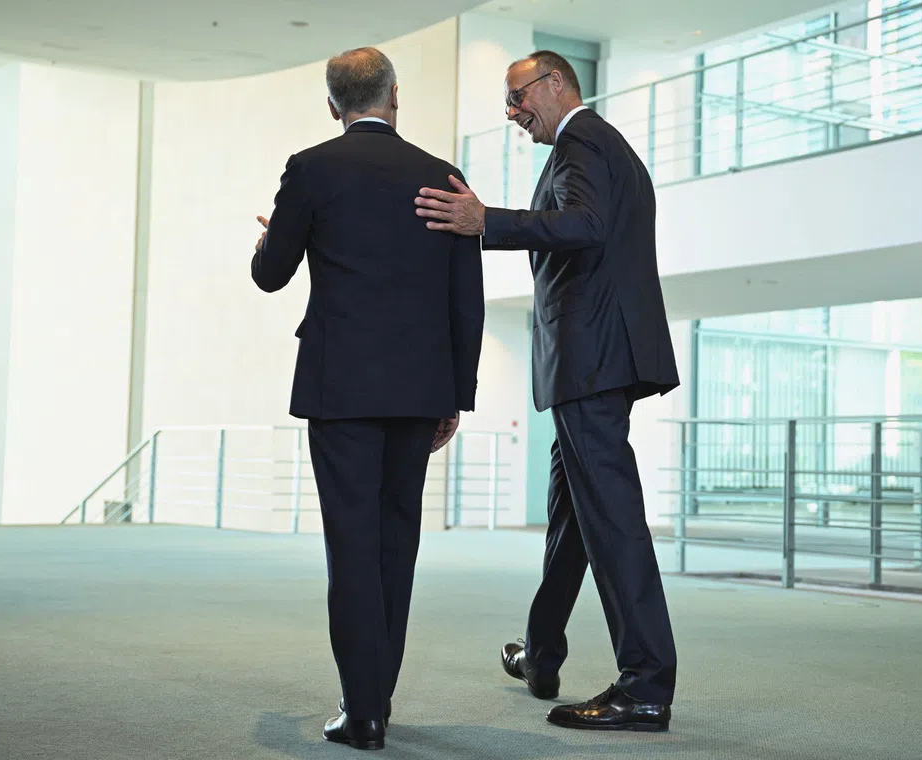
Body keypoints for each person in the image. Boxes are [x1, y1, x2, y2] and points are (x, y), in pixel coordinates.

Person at [414, 50, 679, 732]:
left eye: (518, 96)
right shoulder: (589, 145)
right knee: (573, 521)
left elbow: (585, 227)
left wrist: (486, 221)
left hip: (591, 363)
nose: (512, 112)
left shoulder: (582, 140)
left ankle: (645, 685)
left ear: (555, 83)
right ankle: (541, 652)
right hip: (590, 364)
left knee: (612, 521)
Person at [253, 47, 484, 751]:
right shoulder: (442, 176)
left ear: (333, 105)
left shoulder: (312, 167)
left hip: (342, 388)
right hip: (419, 390)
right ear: (393, 96)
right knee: (396, 543)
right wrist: (457, 395)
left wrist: (274, 238)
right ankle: (378, 693)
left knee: (351, 548)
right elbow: (463, 298)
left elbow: (270, 276)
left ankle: (365, 714)